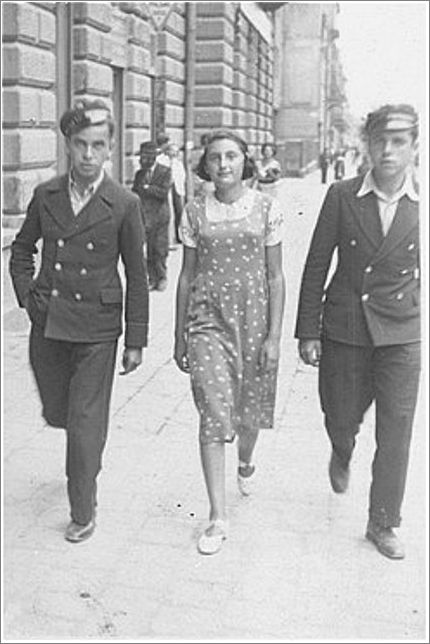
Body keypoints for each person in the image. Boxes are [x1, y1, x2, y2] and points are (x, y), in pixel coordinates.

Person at [9, 99, 149, 543]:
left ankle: (82, 507)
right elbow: (21, 250)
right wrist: (28, 298)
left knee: (85, 423)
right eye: (81, 145)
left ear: (110, 150)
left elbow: (138, 274)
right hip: (49, 322)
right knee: (59, 412)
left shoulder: (124, 203)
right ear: (68, 146)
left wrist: (136, 339)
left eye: (98, 146)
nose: (89, 155)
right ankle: (85, 454)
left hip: (97, 326)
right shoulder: (46, 194)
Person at [294, 104, 420, 560]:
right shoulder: (342, 195)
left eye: (399, 141)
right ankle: (341, 448)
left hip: (402, 332)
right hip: (346, 324)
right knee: (341, 415)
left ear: (414, 146)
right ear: (367, 145)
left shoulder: (421, 201)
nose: (388, 151)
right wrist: (308, 329)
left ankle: (383, 521)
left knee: (397, 429)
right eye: (380, 141)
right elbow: (316, 264)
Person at [174, 130, 286, 555]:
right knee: (213, 412)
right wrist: (179, 334)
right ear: (206, 165)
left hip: (254, 320)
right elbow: (186, 275)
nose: (223, 164)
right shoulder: (194, 212)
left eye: (232, 157)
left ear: (245, 162)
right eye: (215, 158)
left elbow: (275, 276)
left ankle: (245, 460)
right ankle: (218, 515)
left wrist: (275, 336)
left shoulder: (266, 208)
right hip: (207, 322)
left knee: (248, 414)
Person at [132, 141, 172, 291]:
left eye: (146, 157)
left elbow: (163, 193)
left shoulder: (165, 171)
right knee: (148, 248)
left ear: (153, 158)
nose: (143, 161)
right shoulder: (139, 174)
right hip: (144, 215)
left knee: (160, 248)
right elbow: (135, 193)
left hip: (160, 216)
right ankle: (151, 278)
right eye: (142, 158)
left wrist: (148, 188)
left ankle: (162, 277)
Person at [166, 143, 186, 245]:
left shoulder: (179, 164)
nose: (173, 153)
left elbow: (182, 177)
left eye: (175, 151)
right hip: (168, 190)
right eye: (171, 150)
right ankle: (171, 238)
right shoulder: (164, 162)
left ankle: (179, 237)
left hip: (178, 189)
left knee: (180, 212)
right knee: (170, 213)